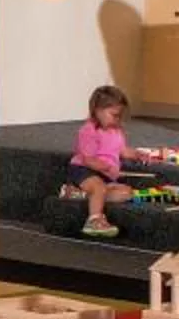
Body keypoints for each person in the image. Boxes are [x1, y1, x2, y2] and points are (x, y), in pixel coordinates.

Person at [68, 84, 168, 239]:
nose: (117, 119)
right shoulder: (88, 130)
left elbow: (122, 151)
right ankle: (94, 220)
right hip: (85, 170)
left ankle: (80, 195)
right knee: (99, 187)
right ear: (97, 110)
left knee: (126, 193)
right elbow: (87, 160)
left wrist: (137, 154)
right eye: (114, 114)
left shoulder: (117, 131)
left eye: (120, 115)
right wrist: (106, 168)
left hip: (105, 174)